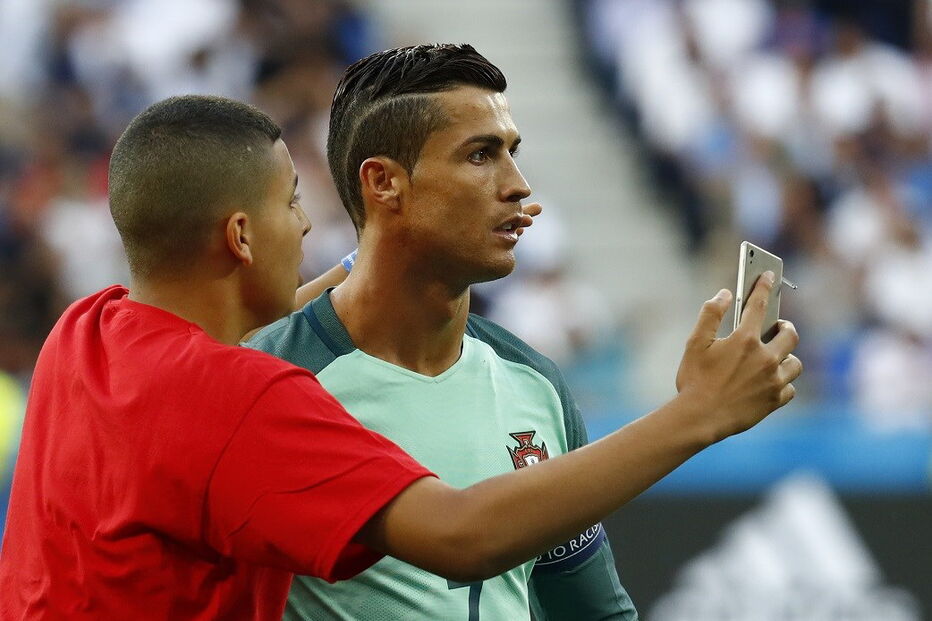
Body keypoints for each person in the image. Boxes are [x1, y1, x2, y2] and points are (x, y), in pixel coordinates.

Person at [0, 94, 800, 621]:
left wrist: (382, 261)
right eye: (288, 203)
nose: (307, 225)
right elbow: (460, 535)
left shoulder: (85, 334)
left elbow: (215, 345)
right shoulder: (243, 401)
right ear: (240, 236)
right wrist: (695, 415)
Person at [246, 44, 800, 621]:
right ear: (384, 183)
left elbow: (590, 611)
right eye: (481, 156)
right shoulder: (272, 382)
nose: (519, 185)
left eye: (512, 152)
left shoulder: (533, 383)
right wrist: (699, 412)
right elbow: (463, 537)